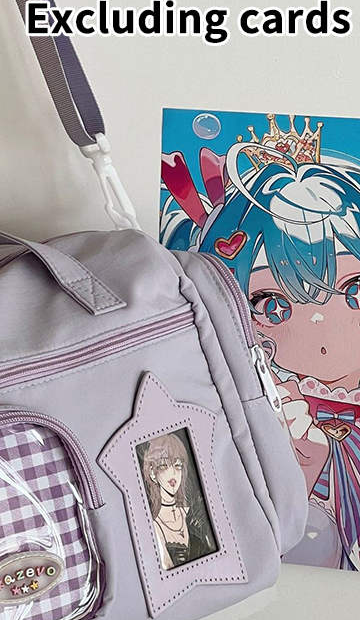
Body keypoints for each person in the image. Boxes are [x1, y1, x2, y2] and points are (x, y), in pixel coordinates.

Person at [160, 115, 360, 570]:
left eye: (354, 289)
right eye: (272, 304)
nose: (319, 324)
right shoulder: (239, 397)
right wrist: (296, 469)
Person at [140, 432, 217, 569]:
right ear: (152, 473)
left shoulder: (194, 515)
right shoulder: (153, 526)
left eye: (178, 465)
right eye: (164, 465)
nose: (173, 473)